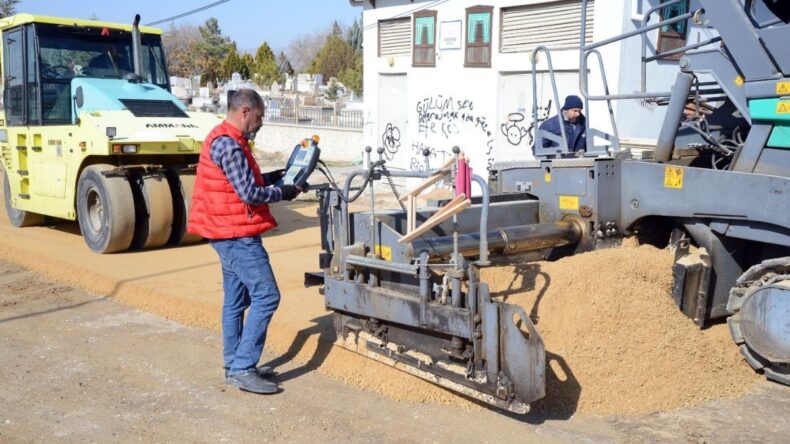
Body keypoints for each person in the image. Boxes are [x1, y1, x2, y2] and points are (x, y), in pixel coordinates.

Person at [188, 88, 302, 395]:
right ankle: (242, 367)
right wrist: (283, 192)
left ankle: (233, 363)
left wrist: (277, 176)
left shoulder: (224, 138)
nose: (261, 124)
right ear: (245, 112)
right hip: (236, 234)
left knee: (236, 301)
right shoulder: (231, 146)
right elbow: (249, 194)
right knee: (267, 296)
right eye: (260, 117)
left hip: (223, 231)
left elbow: (244, 182)